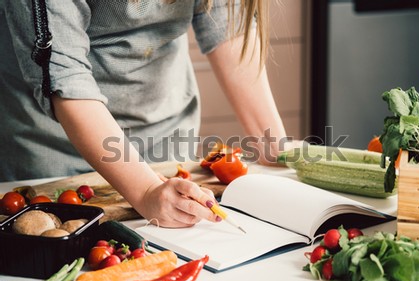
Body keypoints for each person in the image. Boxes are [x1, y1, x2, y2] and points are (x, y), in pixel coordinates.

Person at [0, 0, 290, 228]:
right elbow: (66, 77)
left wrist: (276, 149)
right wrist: (147, 191)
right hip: (53, 152)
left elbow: (230, 26)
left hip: (165, 142)